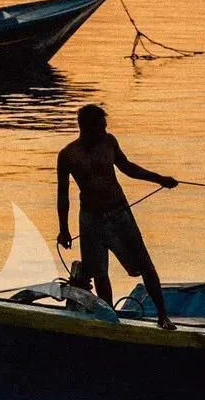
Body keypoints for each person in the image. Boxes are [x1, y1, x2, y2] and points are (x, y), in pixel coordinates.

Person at [56, 104, 178, 327]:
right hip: (90, 219)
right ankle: (108, 319)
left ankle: (163, 316)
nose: (103, 132)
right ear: (85, 128)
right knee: (100, 273)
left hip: (119, 213)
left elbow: (128, 168)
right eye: (99, 128)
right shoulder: (67, 155)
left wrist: (159, 179)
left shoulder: (109, 142)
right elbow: (63, 195)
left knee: (146, 266)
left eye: (104, 127)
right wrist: (64, 229)